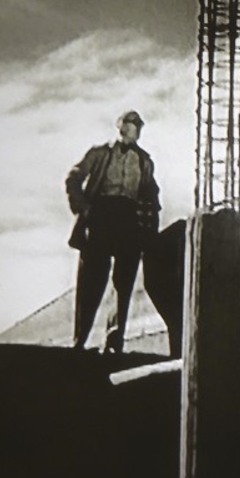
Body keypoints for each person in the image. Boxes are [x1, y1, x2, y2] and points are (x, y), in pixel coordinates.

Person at [66, 110, 161, 353]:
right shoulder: (100, 153)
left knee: (124, 281)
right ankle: (80, 341)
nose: (132, 130)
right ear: (119, 127)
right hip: (101, 217)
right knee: (91, 280)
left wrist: (149, 227)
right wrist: (85, 209)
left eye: (137, 126)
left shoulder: (144, 161)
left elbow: (151, 194)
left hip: (129, 220)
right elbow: (73, 178)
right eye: (128, 125)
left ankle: (114, 341)